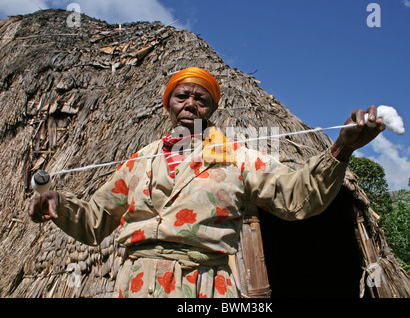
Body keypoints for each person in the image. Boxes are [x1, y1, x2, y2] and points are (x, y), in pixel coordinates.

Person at [28, 67, 385, 298]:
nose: (191, 104)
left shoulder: (238, 157)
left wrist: (341, 148)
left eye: (201, 99)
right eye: (182, 96)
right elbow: (94, 221)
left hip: (205, 287)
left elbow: (297, 197)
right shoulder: (139, 161)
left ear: (211, 109)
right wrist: (59, 205)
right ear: (169, 103)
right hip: (134, 284)